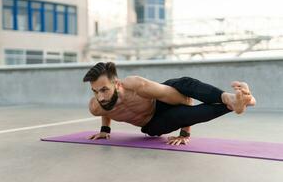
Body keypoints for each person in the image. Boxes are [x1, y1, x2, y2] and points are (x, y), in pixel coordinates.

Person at [83, 62, 256, 145]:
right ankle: (241, 102)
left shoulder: (136, 86)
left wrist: (185, 132)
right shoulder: (96, 106)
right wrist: (105, 130)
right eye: (95, 91)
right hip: (152, 124)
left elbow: (183, 99)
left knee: (183, 83)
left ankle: (231, 99)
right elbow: (105, 108)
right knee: (180, 116)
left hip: (161, 100)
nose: (100, 97)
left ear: (117, 84)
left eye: (104, 90)